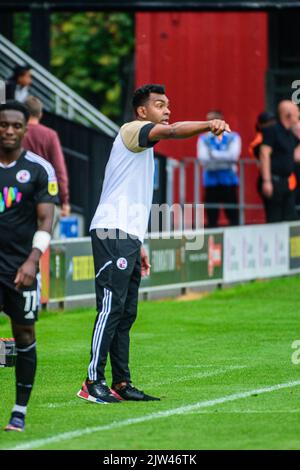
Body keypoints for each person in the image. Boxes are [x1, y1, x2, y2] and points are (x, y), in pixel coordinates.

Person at [77, 84, 230, 404]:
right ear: (142, 111)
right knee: (110, 307)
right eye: (160, 105)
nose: (167, 111)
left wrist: (140, 244)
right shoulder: (132, 130)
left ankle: (121, 383)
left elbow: (133, 198)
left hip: (127, 235)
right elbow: (173, 131)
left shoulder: (142, 147)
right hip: (111, 231)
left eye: (168, 105)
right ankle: (92, 381)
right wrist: (208, 124)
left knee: (125, 312)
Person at [0, 100, 58, 431]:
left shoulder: (39, 169)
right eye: (3, 124)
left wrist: (33, 261)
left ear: (25, 129)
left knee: (23, 334)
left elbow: (45, 220)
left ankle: (19, 410)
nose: (9, 130)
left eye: (16, 125)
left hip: (20, 266)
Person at [22, 96, 70, 218]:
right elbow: (59, 169)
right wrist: (64, 200)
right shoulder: (50, 135)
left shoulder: (18, 133)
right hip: (44, 196)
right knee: (43, 234)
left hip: (20, 193)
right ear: (40, 114)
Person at [197, 110, 241, 228]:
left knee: (233, 215)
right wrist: (224, 157)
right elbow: (203, 158)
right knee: (211, 217)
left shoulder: (233, 137)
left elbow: (233, 156)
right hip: (210, 182)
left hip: (229, 181)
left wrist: (213, 154)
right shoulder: (203, 138)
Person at [258, 100, 300, 223]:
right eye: (296, 113)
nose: (298, 116)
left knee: (291, 218)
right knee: (274, 219)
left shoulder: (289, 134)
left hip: (286, 182)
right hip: (273, 180)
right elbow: (264, 153)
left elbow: (295, 157)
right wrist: (267, 181)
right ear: (288, 115)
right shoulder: (272, 130)